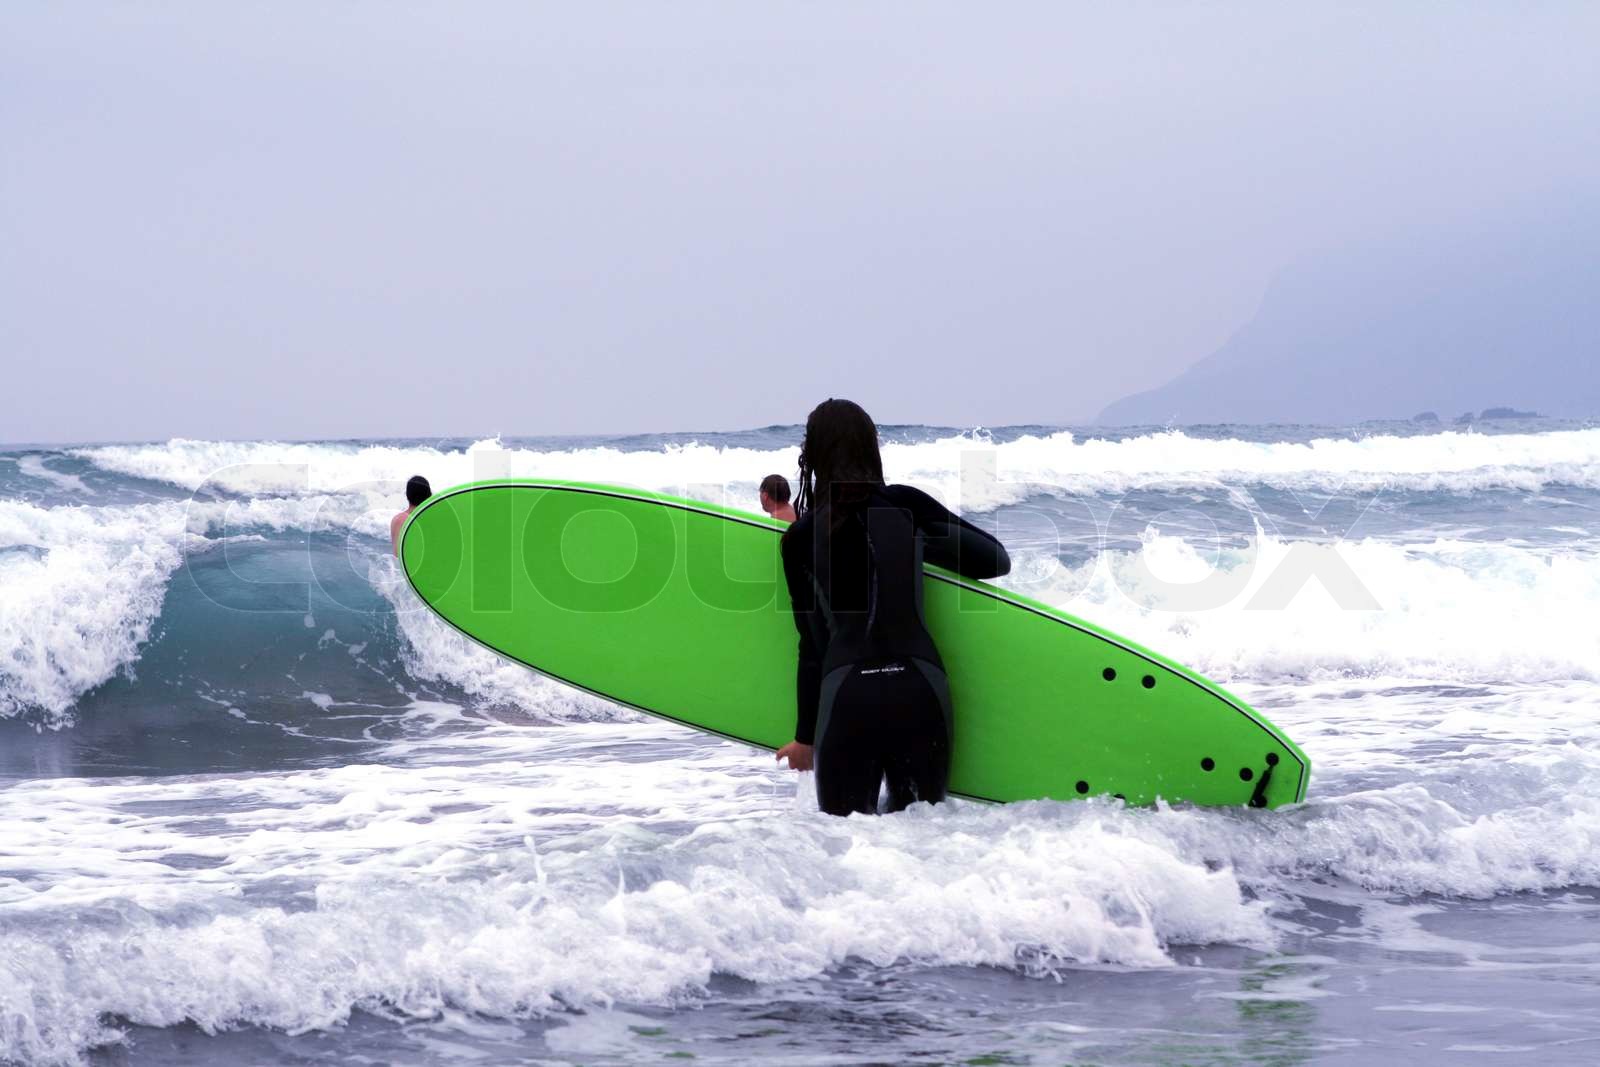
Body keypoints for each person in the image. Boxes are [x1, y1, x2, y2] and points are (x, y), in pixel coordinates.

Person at [775, 399, 1010, 815]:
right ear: (872, 447)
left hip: (847, 693)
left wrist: (804, 738)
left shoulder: (800, 537)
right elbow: (993, 560)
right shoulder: (906, 506)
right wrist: (914, 546)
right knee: (922, 842)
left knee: (849, 847)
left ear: (810, 455)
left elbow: (811, 646)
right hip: (920, 689)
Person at [390, 475, 432, 556]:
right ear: (429, 495)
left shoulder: (397, 519)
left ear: (407, 495)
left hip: (397, 568)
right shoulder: (430, 520)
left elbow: (397, 555)